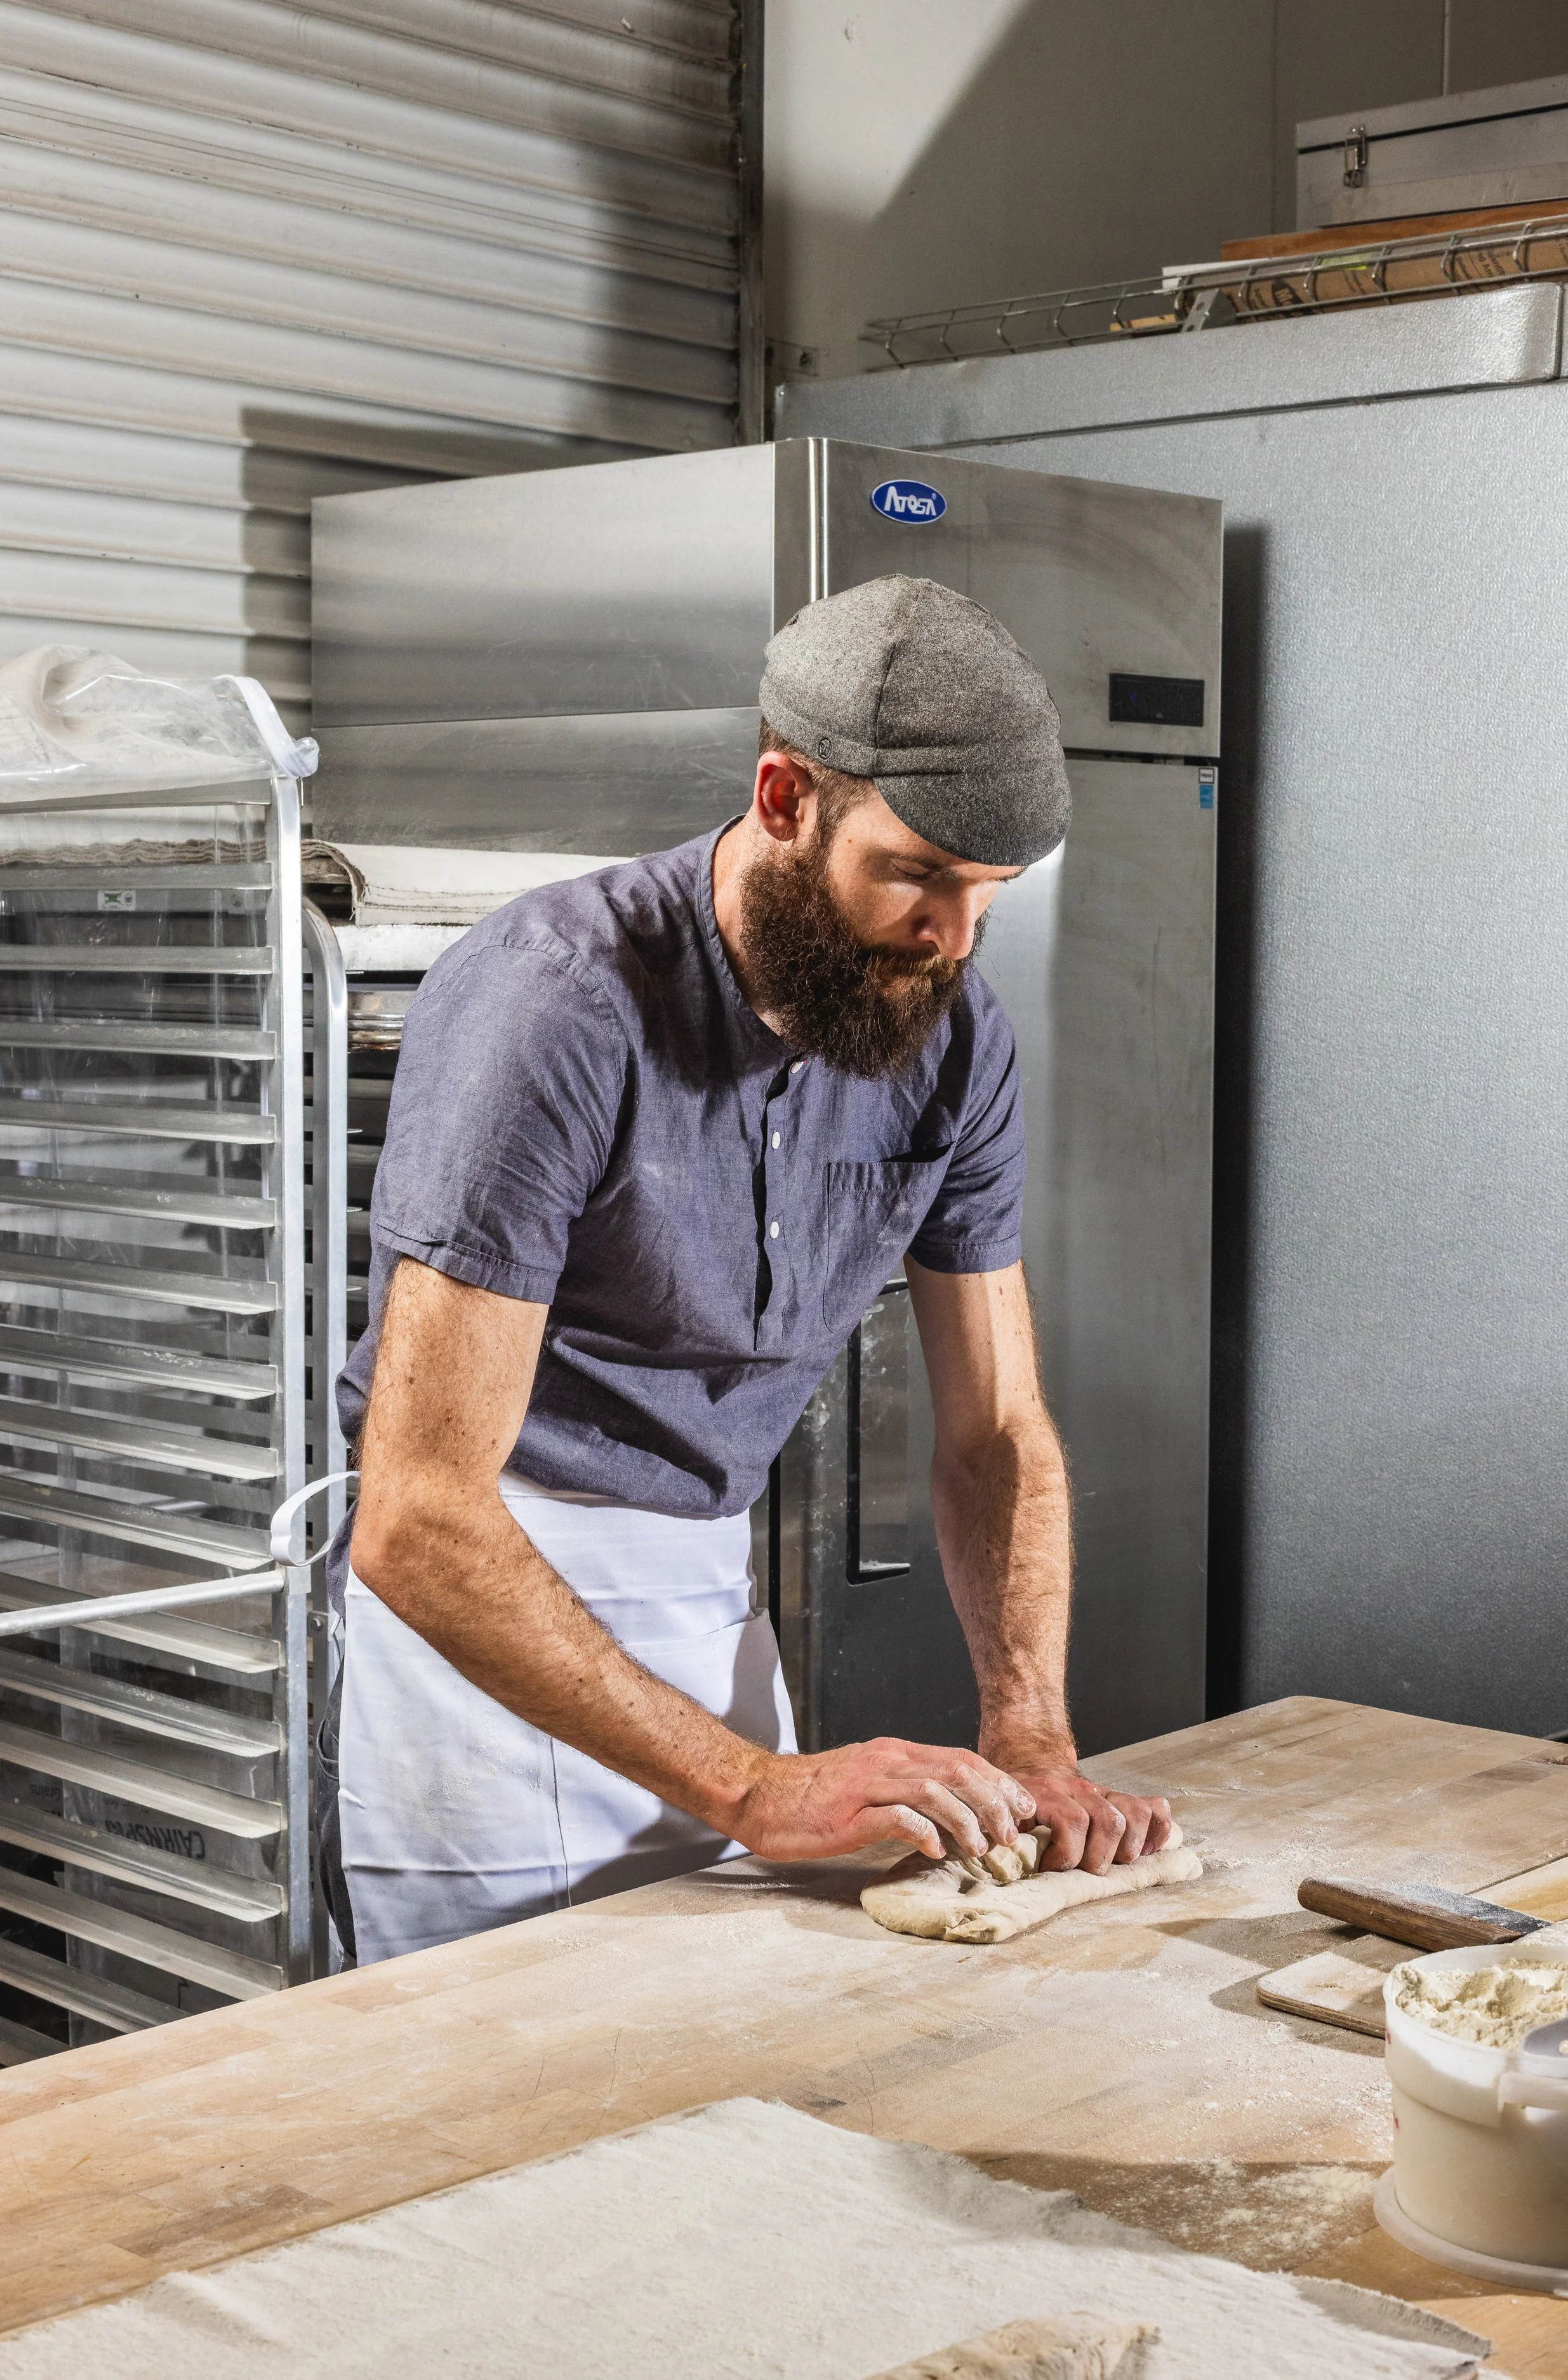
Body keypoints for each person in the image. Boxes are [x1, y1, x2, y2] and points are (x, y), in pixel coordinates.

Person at [316, 572, 1173, 1967]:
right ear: (783, 798)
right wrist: (756, 1788)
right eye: (916, 874)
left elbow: (993, 1428)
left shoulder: (951, 1037)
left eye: (986, 895)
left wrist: (1031, 1732)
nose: (949, 940)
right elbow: (416, 1515)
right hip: (489, 1647)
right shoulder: (558, 1003)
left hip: (708, 1625)